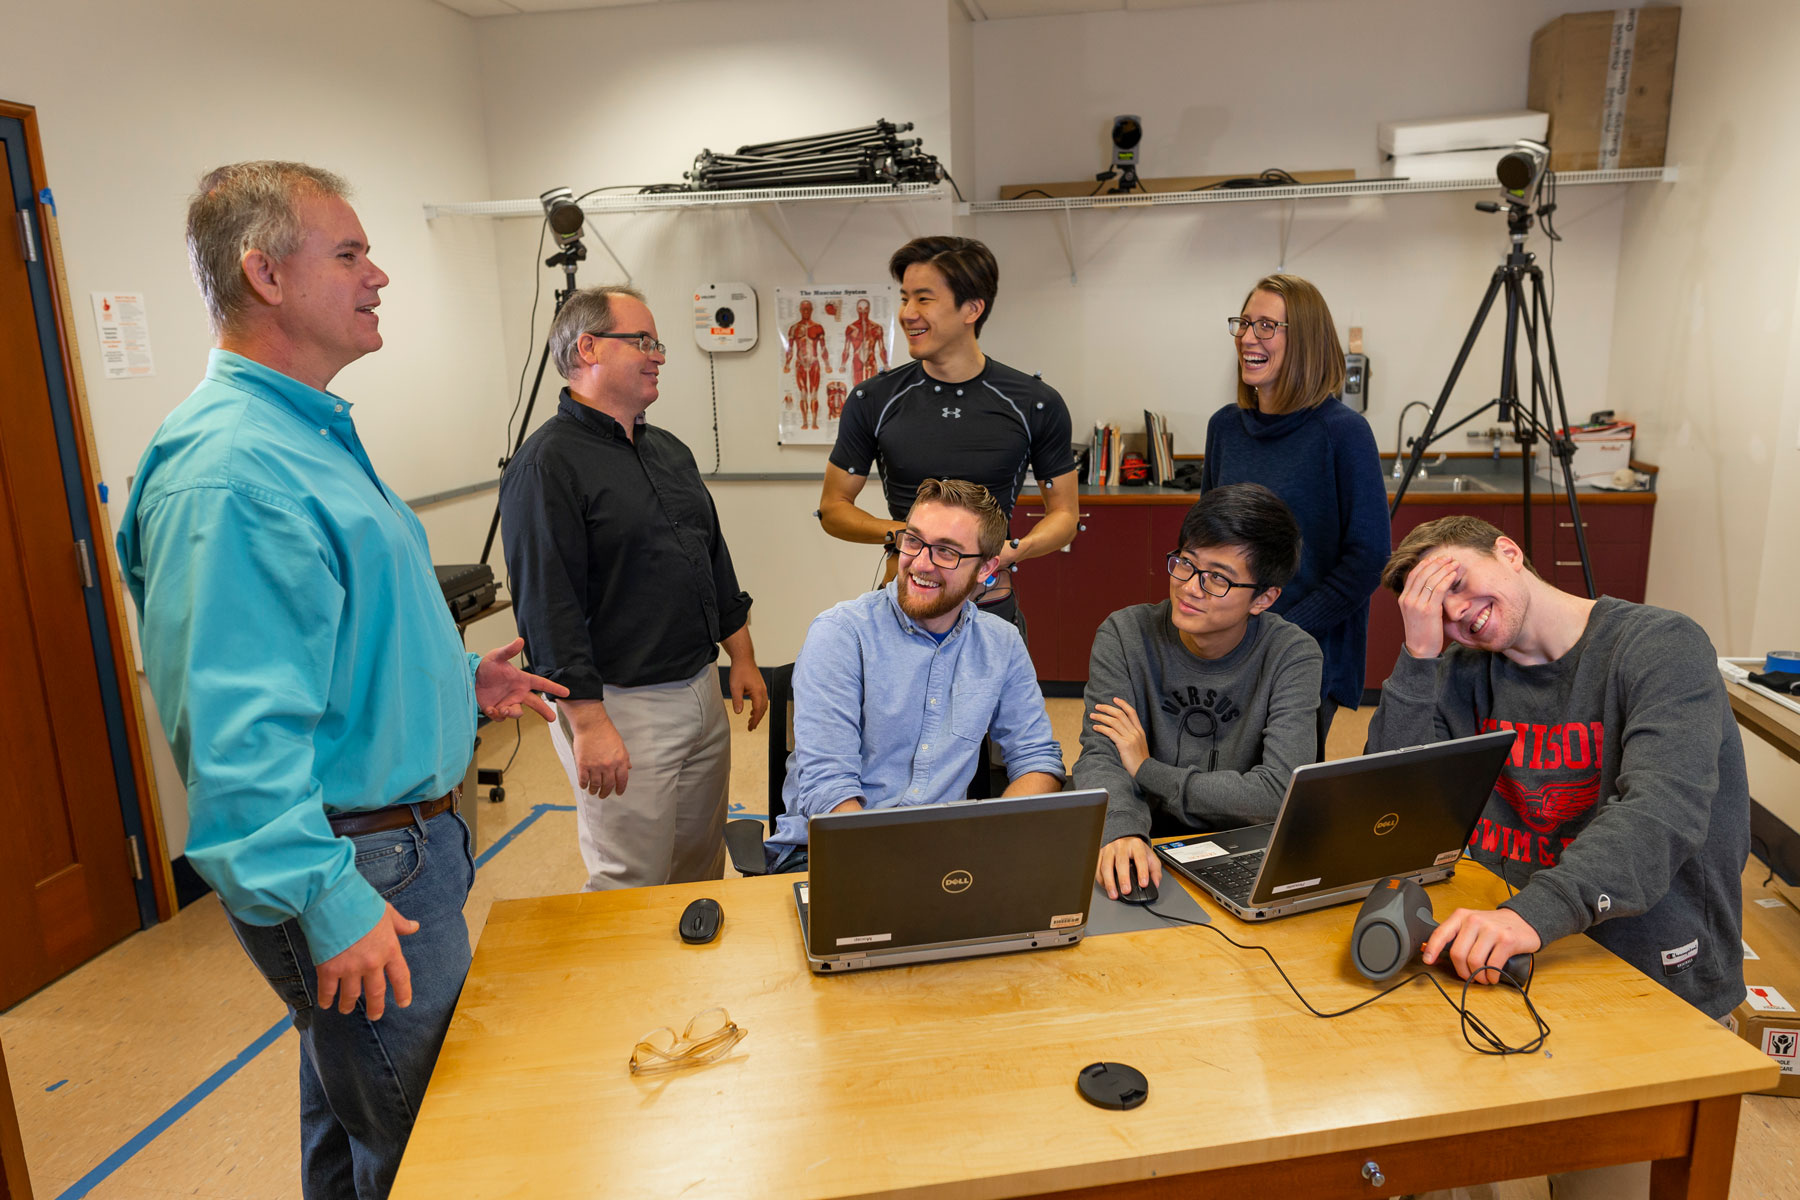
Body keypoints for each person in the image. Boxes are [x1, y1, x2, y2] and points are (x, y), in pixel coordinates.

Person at [117, 161, 566, 1199]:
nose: (381, 276)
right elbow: (234, 734)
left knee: (356, 1117)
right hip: (356, 868)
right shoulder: (232, 473)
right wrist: (326, 900)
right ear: (265, 274)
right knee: (435, 1151)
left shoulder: (301, 433)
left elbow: (327, 641)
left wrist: (458, 684)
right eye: (351, 253)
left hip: (394, 847)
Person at [1368, 515, 1748, 1015]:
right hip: (1509, 952)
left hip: (1643, 966)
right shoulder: (1456, 673)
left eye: (1455, 582)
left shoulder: (1662, 645)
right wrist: (1418, 655)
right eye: (1435, 611)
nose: (1457, 611)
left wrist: (1531, 915)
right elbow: (1393, 811)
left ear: (1508, 552)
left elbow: (1661, 812)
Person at [500, 286, 768, 891]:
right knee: (632, 880)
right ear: (588, 347)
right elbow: (547, 607)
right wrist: (589, 724)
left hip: (700, 688)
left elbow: (711, 560)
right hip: (620, 705)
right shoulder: (546, 464)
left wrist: (741, 657)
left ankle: (690, 984)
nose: (659, 355)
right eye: (643, 342)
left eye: (658, 343)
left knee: (700, 867)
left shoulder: (668, 450)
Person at [764, 478, 1067, 872]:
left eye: (946, 552)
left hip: (947, 856)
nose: (921, 564)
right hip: (830, 851)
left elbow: (1037, 758)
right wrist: (904, 871)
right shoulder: (841, 634)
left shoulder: (1001, 644)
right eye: (913, 541)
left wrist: (993, 841)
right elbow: (829, 789)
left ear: (987, 568)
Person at [818, 236, 1081, 631]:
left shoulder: (1034, 402)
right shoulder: (873, 399)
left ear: (972, 308)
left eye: (924, 299)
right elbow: (833, 508)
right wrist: (906, 535)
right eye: (904, 298)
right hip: (901, 603)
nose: (907, 313)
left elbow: (1064, 513)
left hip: (989, 607)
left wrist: (1013, 551)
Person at [1073, 485, 1322, 899]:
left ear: (1263, 598)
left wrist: (1147, 770)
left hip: (1241, 846)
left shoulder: (1291, 654)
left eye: (1218, 579)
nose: (1190, 587)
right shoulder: (1125, 634)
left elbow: (1279, 792)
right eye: (1186, 564)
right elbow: (1101, 755)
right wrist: (1121, 829)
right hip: (1143, 833)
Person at [1201, 274, 1388, 751]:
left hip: (1306, 650)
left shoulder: (1342, 433)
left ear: (1303, 340)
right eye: (1244, 323)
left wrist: (1281, 630)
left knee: (1277, 796)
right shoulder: (1225, 427)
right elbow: (1204, 542)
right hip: (1227, 643)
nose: (1248, 338)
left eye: (1267, 326)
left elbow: (1368, 558)